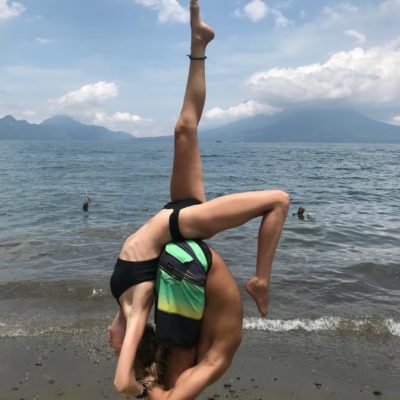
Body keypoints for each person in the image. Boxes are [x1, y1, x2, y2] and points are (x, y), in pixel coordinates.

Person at [108, 0, 289, 397]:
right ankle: (261, 280)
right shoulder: (141, 313)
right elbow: (127, 382)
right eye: (116, 344)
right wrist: (142, 385)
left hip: (177, 228)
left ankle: (199, 44)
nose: (109, 339)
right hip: (178, 237)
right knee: (277, 200)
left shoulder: (128, 307)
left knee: (184, 129)